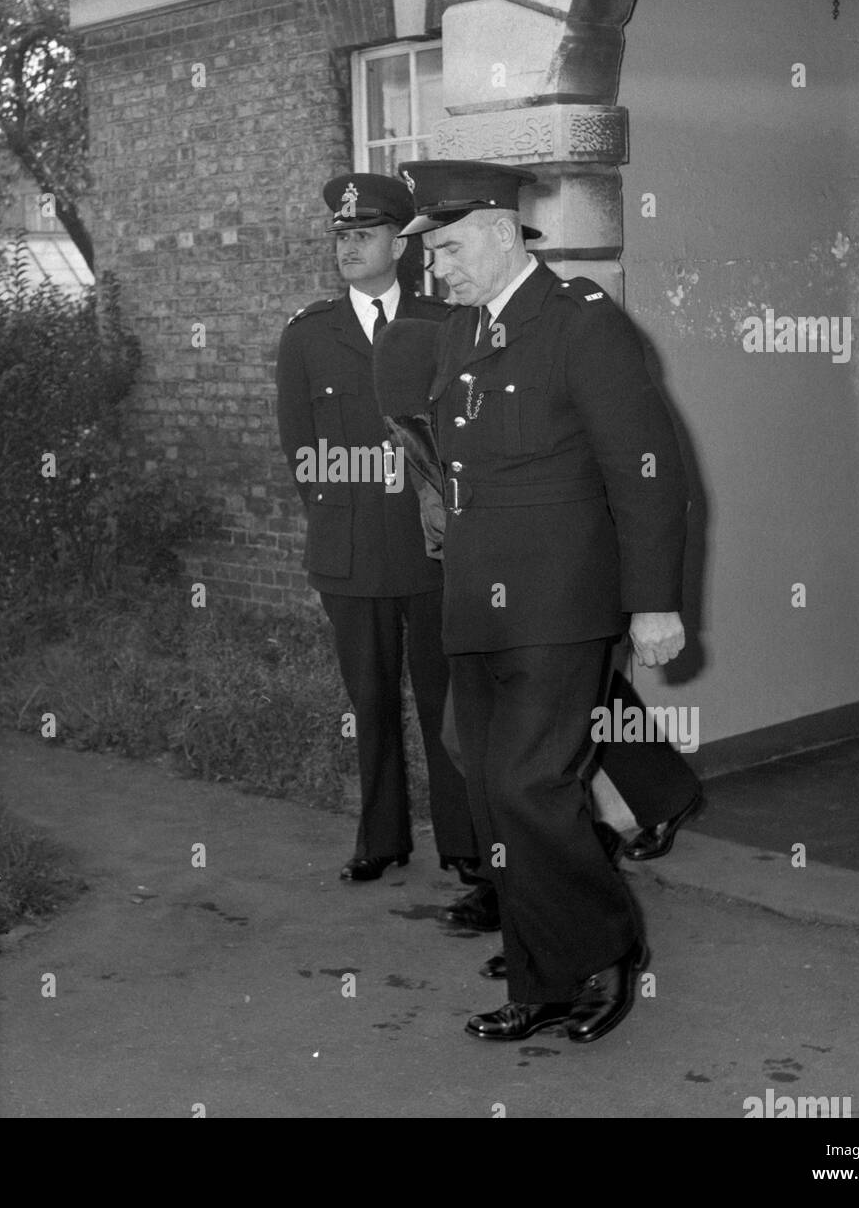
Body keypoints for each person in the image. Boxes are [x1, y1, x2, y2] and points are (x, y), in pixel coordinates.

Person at [395, 157, 692, 1043]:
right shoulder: (462, 331)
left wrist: (652, 603)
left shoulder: (581, 325)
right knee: (488, 783)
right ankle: (540, 970)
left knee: (530, 782)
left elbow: (647, 473)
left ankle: (603, 952)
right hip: (477, 600)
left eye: (443, 248)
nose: (432, 269)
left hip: (561, 603)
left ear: (495, 231)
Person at [372, 316, 704, 984]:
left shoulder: (533, 368)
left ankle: (559, 906)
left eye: (417, 415)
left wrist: (641, 600)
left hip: (567, 588)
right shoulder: (420, 409)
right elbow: (435, 496)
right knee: (516, 744)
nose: (411, 428)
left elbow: (633, 483)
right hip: (493, 597)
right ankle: (543, 901)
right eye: (402, 421)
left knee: (525, 757)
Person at [274, 172, 496, 932]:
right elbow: (299, 450)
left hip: (433, 551)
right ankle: (381, 838)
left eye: (363, 235)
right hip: (351, 553)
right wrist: (338, 521)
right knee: (369, 702)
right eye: (340, 236)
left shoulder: (445, 323)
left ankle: (465, 845)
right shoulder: (308, 333)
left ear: (396, 245)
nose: (348, 247)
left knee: (445, 703)